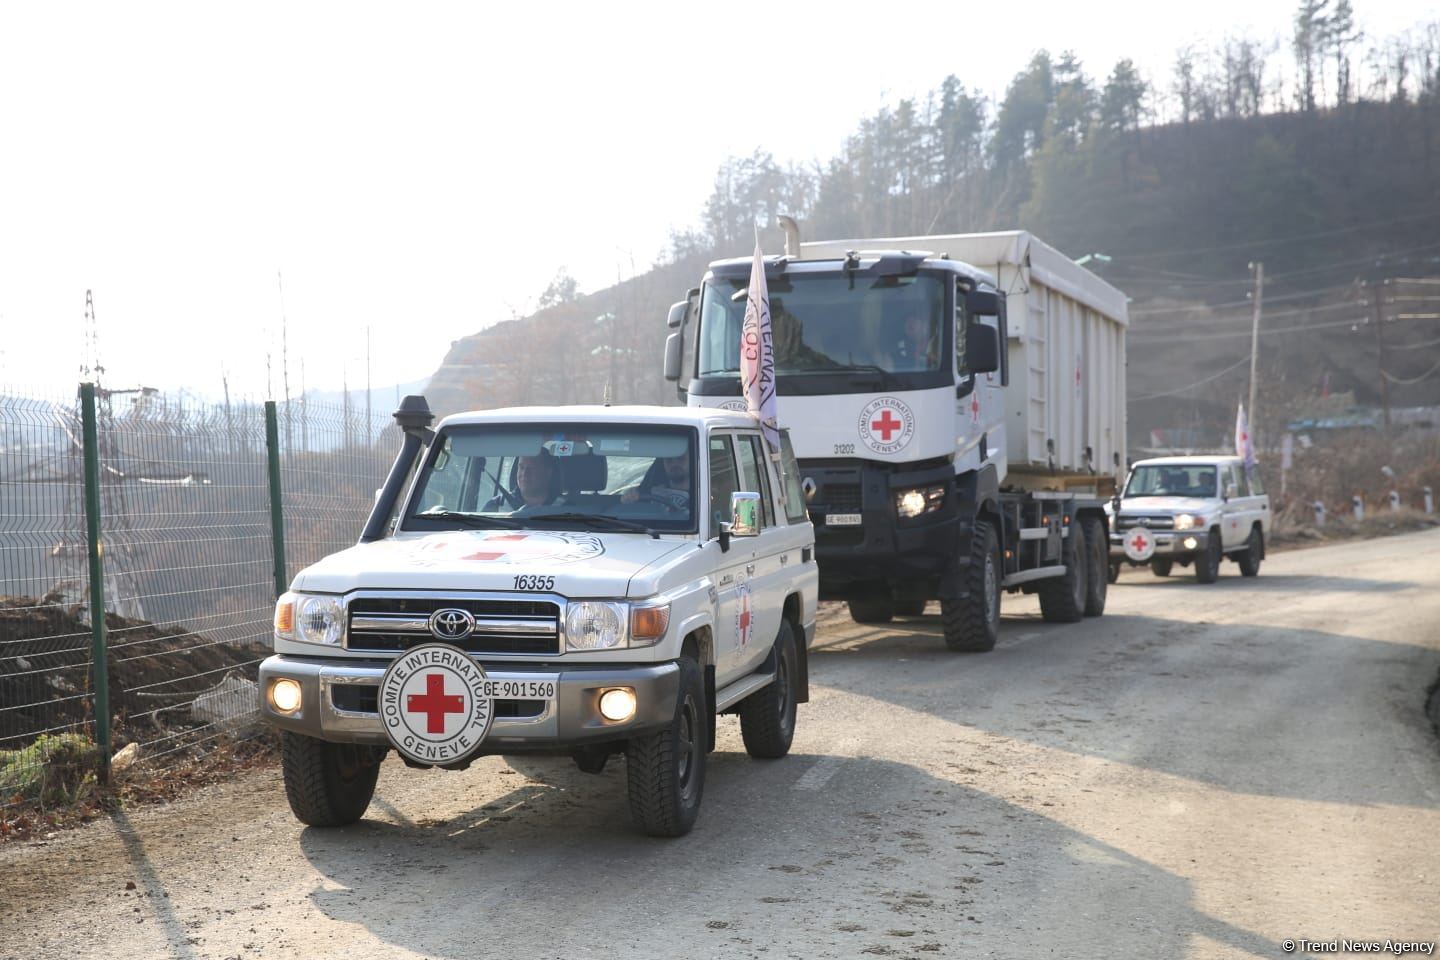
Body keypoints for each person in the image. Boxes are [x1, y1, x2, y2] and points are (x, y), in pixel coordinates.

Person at [484, 451, 558, 511]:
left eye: (531, 468)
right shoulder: (496, 505)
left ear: (548, 472)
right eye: (521, 467)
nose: (524, 473)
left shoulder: (562, 508)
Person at [622, 453, 691, 507]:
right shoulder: (649, 493)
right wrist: (629, 498)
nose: (674, 464)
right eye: (669, 459)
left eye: (681, 458)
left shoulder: (697, 495)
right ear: (663, 463)